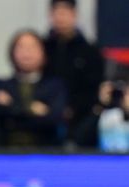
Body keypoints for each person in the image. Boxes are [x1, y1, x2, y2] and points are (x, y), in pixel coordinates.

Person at [0, 30, 67, 148]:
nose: (27, 52)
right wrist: (31, 109)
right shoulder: (0, 85)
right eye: (21, 47)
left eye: (32, 47)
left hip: (46, 151)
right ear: (12, 53)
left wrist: (12, 106)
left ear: (43, 53)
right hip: (6, 152)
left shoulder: (54, 86)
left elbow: (53, 119)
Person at [44, 0, 104, 136]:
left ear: (74, 15)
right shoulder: (43, 49)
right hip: (47, 115)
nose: (60, 18)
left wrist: (74, 108)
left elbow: (93, 87)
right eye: (56, 13)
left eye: (65, 12)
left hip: (81, 116)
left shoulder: (90, 51)